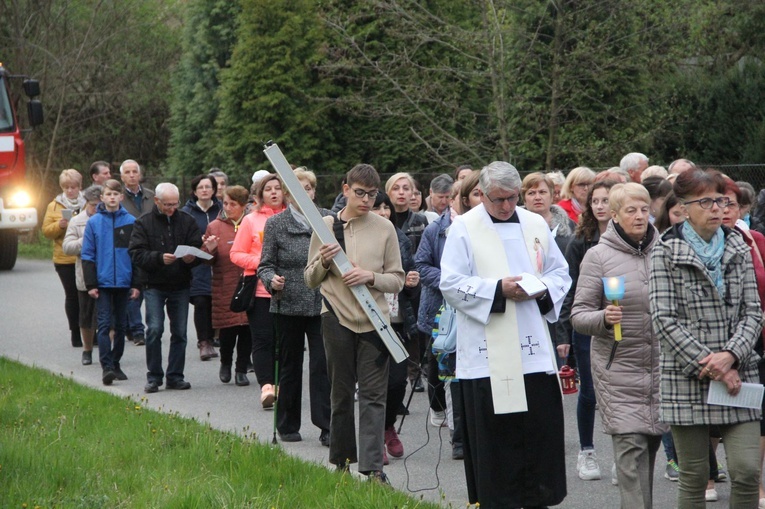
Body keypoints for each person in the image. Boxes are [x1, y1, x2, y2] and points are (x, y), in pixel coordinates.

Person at [439, 161, 571, 508]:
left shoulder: (534, 223)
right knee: (497, 447)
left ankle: (539, 499)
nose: (507, 206)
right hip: (486, 356)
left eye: (513, 198)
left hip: (533, 352)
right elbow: (450, 283)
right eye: (499, 199)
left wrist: (539, 289)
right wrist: (498, 289)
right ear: (481, 194)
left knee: (538, 439)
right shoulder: (465, 228)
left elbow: (560, 273)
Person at [650, 169, 763, 508]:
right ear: (683, 208)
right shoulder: (665, 251)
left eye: (721, 201)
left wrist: (730, 356)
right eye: (705, 201)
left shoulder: (738, 247)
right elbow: (664, 319)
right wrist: (712, 364)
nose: (716, 208)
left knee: (745, 471)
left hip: (738, 374)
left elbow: (753, 312)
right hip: (688, 377)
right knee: (695, 476)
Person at [304, 163, 404, 483]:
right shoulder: (325, 225)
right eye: (359, 193)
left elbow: (397, 279)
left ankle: (374, 469)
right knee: (342, 393)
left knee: (375, 396)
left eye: (372, 195)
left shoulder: (385, 228)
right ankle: (342, 464)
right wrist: (323, 260)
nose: (366, 200)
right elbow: (309, 279)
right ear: (345, 189)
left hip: (375, 322)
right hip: (336, 318)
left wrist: (370, 276)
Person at [571, 183, 667, 509]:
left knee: (648, 451)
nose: (640, 216)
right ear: (614, 215)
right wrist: (603, 317)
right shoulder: (597, 257)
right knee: (631, 452)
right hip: (618, 368)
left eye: (644, 209)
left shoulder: (665, 250)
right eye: (631, 210)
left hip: (660, 368)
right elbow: (578, 315)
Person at [256, 169, 331, 444]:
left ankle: (327, 426)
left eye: (310, 188)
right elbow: (264, 265)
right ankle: (287, 424)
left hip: (323, 302)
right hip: (287, 302)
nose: (307, 193)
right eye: (300, 189)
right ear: (288, 194)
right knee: (289, 365)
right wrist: (270, 279)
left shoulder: (326, 220)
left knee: (323, 365)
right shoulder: (276, 224)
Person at [416, 172, 482, 460]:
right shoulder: (436, 230)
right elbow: (421, 264)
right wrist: (453, 280)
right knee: (447, 373)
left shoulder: (486, 229)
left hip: (477, 308)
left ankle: (477, 433)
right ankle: (459, 438)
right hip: (443, 312)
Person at [559, 179, 618, 481]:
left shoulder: (632, 237)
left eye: (605, 200)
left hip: (622, 323)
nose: (599, 205)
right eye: (594, 200)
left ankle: (621, 455)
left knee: (620, 390)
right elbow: (569, 291)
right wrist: (565, 333)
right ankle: (587, 451)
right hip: (588, 325)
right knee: (591, 390)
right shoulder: (580, 241)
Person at [129, 182, 202, 393]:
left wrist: (191, 258)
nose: (172, 208)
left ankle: (175, 376)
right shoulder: (143, 223)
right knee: (154, 329)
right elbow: (135, 253)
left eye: (175, 203)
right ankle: (153, 377)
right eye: (167, 204)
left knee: (179, 332)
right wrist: (160, 258)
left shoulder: (187, 220)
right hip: (154, 284)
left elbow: (197, 248)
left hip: (180, 283)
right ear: (157, 201)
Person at [720, 179, 765, 508]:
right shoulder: (686, 245)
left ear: (742, 209)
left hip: (756, 339)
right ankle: (709, 473)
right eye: (716, 203)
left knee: (756, 412)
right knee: (713, 414)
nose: (723, 210)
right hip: (710, 347)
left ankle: (753, 481)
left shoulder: (756, 240)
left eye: (731, 205)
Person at [371, 192, 420, 464]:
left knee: (398, 382)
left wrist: (412, 283)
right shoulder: (359, 239)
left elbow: (410, 286)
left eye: (386, 208)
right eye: (377, 208)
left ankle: (388, 425)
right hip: (368, 321)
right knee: (374, 384)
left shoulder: (401, 240)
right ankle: (375, 438)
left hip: (397, 321)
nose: (383, 213)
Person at [230, 174, 287, 409]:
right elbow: (236, 254)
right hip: (260, 291)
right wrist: (262, 262)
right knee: (263, 340)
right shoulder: (251, 220)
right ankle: (266, 387)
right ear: (260, 195)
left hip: (290, 291)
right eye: (268, 189)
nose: (273, 193)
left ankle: (283, 385)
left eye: (278, 188)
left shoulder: (293, 218)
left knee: (284, 342)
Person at [82, 180, 140, 385]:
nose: (112, 197)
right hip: (103, 282)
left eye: (116, 194)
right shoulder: (94, 222)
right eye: (109, 194)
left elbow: (135, 254)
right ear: (103, 197)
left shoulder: (131, 221)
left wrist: (136, 284)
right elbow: (87, 255)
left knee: (122, 326)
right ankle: (106, 366)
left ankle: (116, 363)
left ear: (121, 197)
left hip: (124, 282)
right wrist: (91, 284)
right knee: (104, 324)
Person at [521, 172, 577, 367]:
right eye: (531, 192)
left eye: (542, 192)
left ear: (553, 195)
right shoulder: (515, 228)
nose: (537, 197)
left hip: (562, 299)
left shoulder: (570, 227)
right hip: (527, 301)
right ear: (523, 197)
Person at [200, 185, 252, 386]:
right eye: (225, 203)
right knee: (228, 330)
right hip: (224, 284)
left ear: (243, 206)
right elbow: (206, 260)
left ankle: (241, 369)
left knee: (247, 330)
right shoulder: (215, 226)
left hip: (248, 283)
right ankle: (225, 362)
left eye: (233, 204)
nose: (228, 207)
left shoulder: (250, 223)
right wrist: (210, 249)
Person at [384, 172, 429, 391]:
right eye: (396, 188)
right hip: (390, 282)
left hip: (414, 282)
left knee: (414, 329)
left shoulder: (420, 221)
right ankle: (395, 380)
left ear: (414, 193)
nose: (401, 193)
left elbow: (423, 254)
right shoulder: (382, 221)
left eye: (406, 188)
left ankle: (415, 372)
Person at [43, 168, 86, 348]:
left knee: (87, 295)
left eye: (73, 187)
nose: (70, 190)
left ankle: (90, 330)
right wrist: (60, 226)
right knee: (72, 295)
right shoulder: (54, 205)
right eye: (66, 187)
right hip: (64, 259)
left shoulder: (87, 203)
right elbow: (46, 231)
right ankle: (75, 332)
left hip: (85, 257)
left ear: (79, 187)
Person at [181, 174, 222, 361]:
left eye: (208, 186)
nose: (205, 190)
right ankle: (203, 342)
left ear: (214, 190)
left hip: (220, 262)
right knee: (201, 301)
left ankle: (216, 338)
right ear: (195, 191)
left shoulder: (222, 210)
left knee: (217, 302)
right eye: (201, 187)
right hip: (198, 265)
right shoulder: (187, 212)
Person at [62, 185, 103, 365]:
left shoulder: (109, 220)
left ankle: (107, 353)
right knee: (86, 317)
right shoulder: (77, 221)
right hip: (85, 276)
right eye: (94, 205)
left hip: (108, 275)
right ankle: (87, 350)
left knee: (108, 318)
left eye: (100, 205)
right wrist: (84, 239)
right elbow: (67, 247)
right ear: (86, 203)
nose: (97, 209)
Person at [120, 159, 154, 346]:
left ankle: (130, 326)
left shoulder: (151, 196)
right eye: (128, 172)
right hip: (127, 249)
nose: (132, 175)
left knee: (146, 289)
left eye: (135, 171)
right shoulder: (119, 198)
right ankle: (137, 330)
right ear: (122, 176)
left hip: (149, 249)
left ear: (140, 174)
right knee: (133, 290)